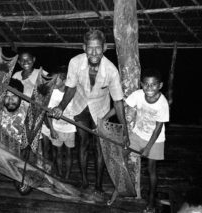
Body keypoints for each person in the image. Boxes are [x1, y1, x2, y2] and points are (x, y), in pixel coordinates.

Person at [51, 30, 130, 195]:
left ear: (105, 47)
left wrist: (125, 130)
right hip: (80, 107)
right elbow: (71, 88)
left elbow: (117, 101)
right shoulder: (75, 62)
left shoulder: (111, 70)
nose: (94, 53)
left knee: (99, 147)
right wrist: (61, 107)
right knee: (83, 143)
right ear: (84, 47)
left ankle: (99, 184)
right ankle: (85, 181)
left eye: (98, 48)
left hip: (100, 110)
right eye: (90, 48)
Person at [103, 69, 169, 210]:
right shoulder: (138, 95)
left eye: (153, 85)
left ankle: (151, 203)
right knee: (120, 158)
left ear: (160, 85)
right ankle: (118, 190)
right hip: (138, 134)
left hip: (155, 140)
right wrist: (105, 118)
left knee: (152, 170)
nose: (149, 88)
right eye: (146, 84)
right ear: (141, 84)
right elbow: (121, 106)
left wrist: (148, 148)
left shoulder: (162, 104)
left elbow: (157, 129)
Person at [0, 78, 26, 187]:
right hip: (2, 153)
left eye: (14, 96)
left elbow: (35, 143)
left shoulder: (29, 113)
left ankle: (18, 174)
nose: (10, 100)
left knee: (23, 189)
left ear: (21, 96)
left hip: (21, 155)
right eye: (6, 96)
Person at [48, 70, 76, 180]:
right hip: (56, 128)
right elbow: (48, 113)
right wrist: (52, 129)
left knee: (69, 153)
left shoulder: (72, 93)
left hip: (70, 129)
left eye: (56, 80)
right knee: (58, 152)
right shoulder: (53, 93)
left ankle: (67, 176)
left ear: (64, 81)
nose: (52, 82)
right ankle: (59, 174)